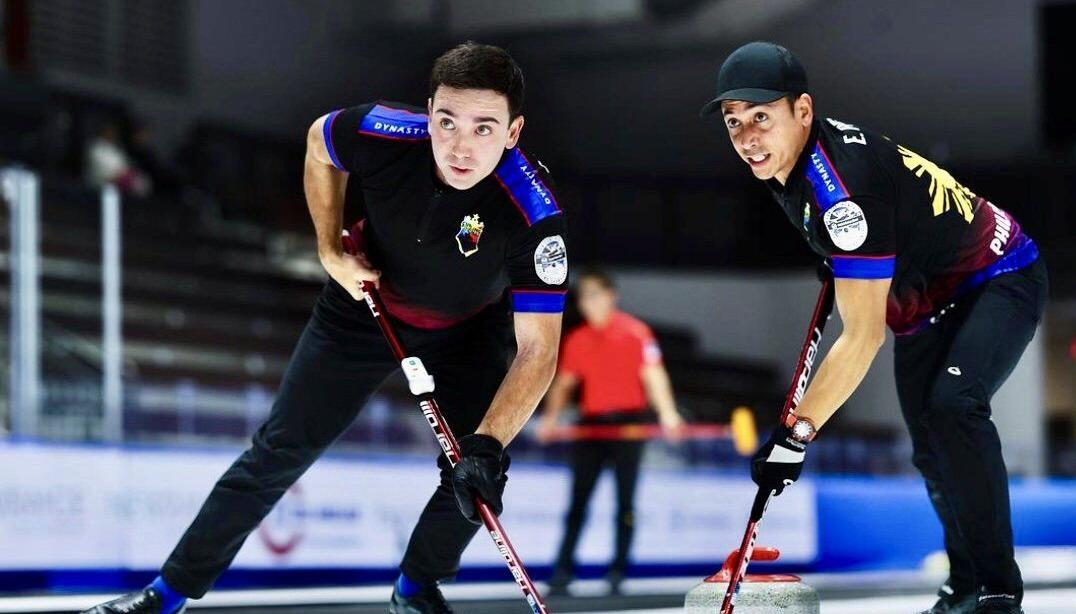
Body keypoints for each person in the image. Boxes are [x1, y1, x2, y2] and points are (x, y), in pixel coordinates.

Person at [83, 41, 569, 614]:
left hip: (466, 330)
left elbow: (538, 348)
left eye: (484, 128)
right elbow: (320, 144)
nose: (461, 146)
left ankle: (416, 588)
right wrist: (329, 251)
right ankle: (167, 596)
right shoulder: (385, 131)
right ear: (429, 111)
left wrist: (486, 445)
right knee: (277, 453)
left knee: (476, 473)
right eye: (447, 121)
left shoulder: (535, 212)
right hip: (365, 306)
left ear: (513, 132)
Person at [701, 42, 1047, 614]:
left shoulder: (844, 189)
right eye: (734, 122)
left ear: (803, 111)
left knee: (954, 407)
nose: (746, 137)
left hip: (996, 276)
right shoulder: (786, 165)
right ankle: (963, 588)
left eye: (761, 117)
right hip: (921, 300)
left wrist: (796, 436)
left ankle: (998, 592)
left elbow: (862, 337)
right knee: (931, 450)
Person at [535, 270, 684, 595]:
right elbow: (564, 385)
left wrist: (668, 413)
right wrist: (550, 418)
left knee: (625, 502)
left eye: (593, 295)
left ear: (610, 296)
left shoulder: (636, 333)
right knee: (578, 500)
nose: (586, 303)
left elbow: (654, 376)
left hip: (630, 425)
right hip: (591, 426)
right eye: (583, 297)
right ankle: (563, 568)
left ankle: (618, 569)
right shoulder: (577, 340)